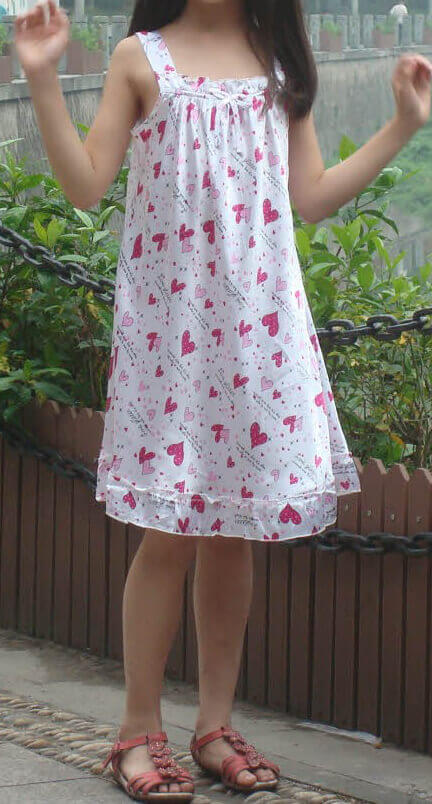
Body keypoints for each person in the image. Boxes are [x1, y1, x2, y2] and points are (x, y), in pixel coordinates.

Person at [14, 0, 432, 800]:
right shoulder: (141, 58)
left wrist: (403, 125)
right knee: (168, 535)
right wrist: (40, 75)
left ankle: (213, 726)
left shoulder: (278, 63)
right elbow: (85, 185)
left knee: (235, 534)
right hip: (172, 339)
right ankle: (137, 731)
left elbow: (311, 196)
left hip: (258, 337)